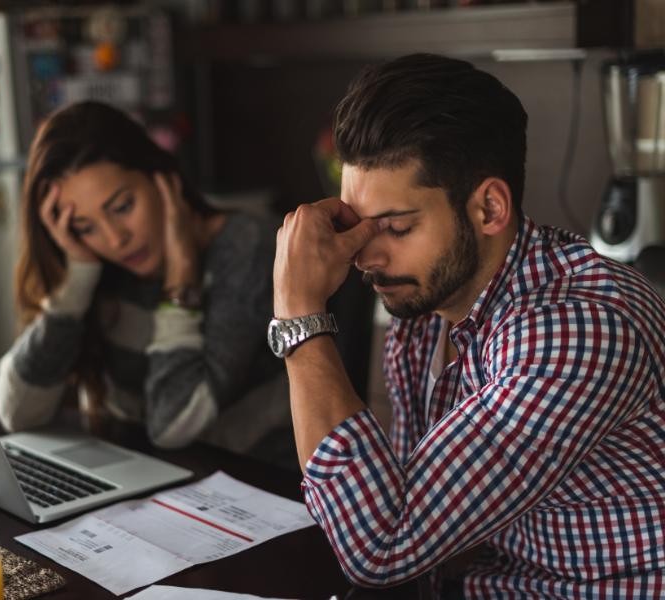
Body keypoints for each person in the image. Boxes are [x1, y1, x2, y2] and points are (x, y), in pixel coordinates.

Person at [269, 53, 665, 598]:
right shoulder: (425, 313)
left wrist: (299, 317)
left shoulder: (577, 330)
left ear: (489, 209)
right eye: (359, 226)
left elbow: (382, 544)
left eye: (396, 227)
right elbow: (410, 526)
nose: (366, 256)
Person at [0, 101, 290, 462]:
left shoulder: (246, 247)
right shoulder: (99, 264)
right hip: (146, 480)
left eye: (121, 207)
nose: (115, 239)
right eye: (85, 227)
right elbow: (16, 412)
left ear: (161, 176)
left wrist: (181, 279)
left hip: (253, 487)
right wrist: (77, 280)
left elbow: (172, 425)